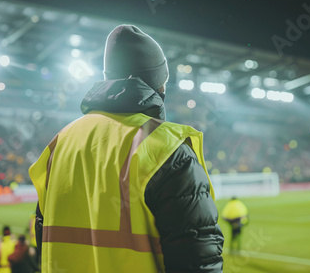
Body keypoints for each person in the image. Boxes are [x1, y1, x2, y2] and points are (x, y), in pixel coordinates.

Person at [29, 24, 224, 272]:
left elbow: (43, 235)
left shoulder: (60, 143)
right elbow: (197, 261)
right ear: (159, 85)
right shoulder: (166, 148)